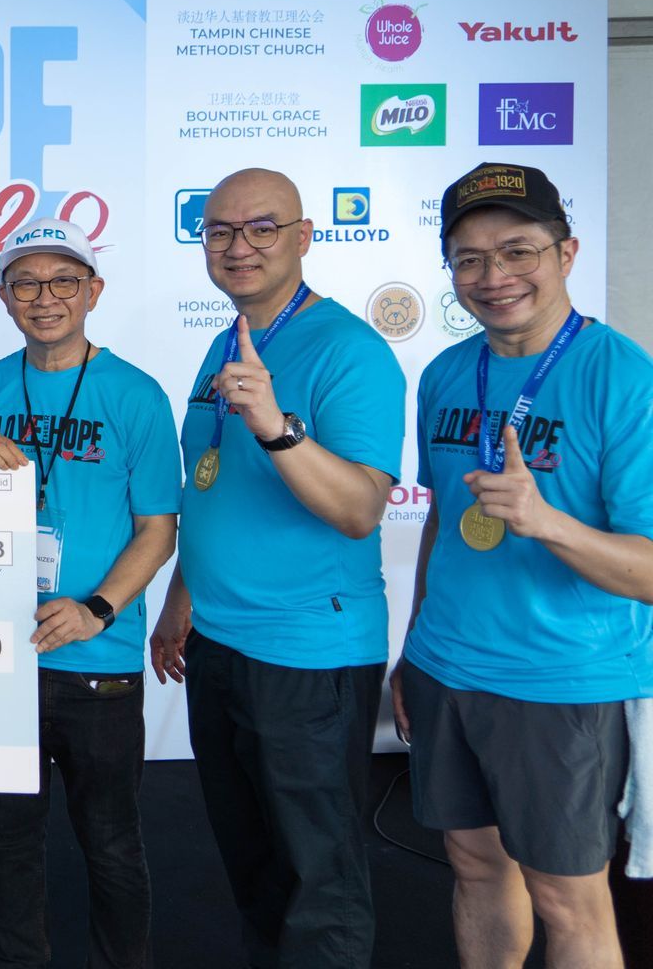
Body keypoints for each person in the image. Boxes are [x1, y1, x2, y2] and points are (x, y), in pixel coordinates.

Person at [392, 161, 653, 968]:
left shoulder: (622, 377)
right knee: (474, 866)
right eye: (468, 258)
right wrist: (413, 647)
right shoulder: (446, 372)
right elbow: (444, 518)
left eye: (517, 251)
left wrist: (548, 524)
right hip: (445, 667)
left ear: (566, 253)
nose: (493, 275)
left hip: (562, 682)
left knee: (569, 900)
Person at [149, 167, 404, 968]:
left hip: (307, 654)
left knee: (317, 887)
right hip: (219, 643)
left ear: (303, 238)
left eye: (262, 228)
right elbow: (211, 484)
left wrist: (276, 426)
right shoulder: (227, 341)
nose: (239, 246)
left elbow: (360, 509)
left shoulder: (350, 351)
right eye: (220, 230)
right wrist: (181, 597)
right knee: (256, 871)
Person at [0, 219, 180, 969]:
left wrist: (97, 610)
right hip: (2, 655)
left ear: (93, 292)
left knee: (111, 843)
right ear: (4, 297)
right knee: (8, 841)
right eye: (25, 284)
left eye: (63, 281)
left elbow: (158, 529)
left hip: (97, 660)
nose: (44, 298)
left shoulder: (136, 395)